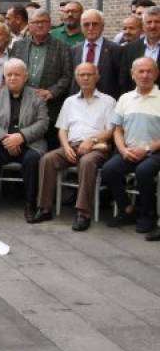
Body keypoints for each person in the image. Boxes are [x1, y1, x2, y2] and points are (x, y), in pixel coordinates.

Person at [30, 62, 115, 230]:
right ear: (77, 78)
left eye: (89, 74)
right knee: (47, 159)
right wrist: (66, 146)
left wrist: (92, 141)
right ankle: (44, 208)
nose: (85, 78)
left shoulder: (108, 101)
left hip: (97, 147)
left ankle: (83, 213)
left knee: (87, 162)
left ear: (97, 77)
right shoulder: (70, 101)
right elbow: (62, 129)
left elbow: (111, 131)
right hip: (72, 145)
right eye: (82, 75)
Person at [0, 59, 50, 219]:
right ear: (4, 77)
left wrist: (21, 136)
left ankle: (30, 203)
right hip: (1, 142)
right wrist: (6, 139)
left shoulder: (37, 97)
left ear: (25, 77)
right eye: (9, 74)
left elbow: (43, 123)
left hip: (30, 143)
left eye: (17, 74)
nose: (12, 78)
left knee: (33, 160)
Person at [103, 57, 160, 234]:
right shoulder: (125, 98)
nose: (145, 75)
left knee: (144, 171)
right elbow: (117, 130)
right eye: (141, 71)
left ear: (156, 74)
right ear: (132, 74)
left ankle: (148, 215)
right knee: (109, 169)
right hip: (129, 150)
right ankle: (127, 210)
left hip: (155, 152)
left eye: (149, 71)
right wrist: (122, 150)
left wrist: (147, 149)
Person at [10, 8, 73, 138]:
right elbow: (10, 71)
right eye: (36, 22)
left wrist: (52, 92)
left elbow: (67, 76)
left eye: (44, 21)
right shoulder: (18, 46)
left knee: (47, 142)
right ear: (29, 25)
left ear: (49, 24)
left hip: (49, 107)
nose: (40, 25)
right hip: (21, 105)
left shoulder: (62, 47)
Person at [70, 9, 121, 99]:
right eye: (86, 24)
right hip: (79, 100)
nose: (90, 28)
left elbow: (120, 80)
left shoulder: (116, 49)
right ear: (81, 27)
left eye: (95, 24)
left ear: (102, 26)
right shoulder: (74, 50)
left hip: (106, 101)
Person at [118, 6, 160, 94]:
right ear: (143, 26)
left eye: (157, 22)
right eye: (149, 22)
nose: (153, 26)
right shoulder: (129, 49)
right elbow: (124, 80)